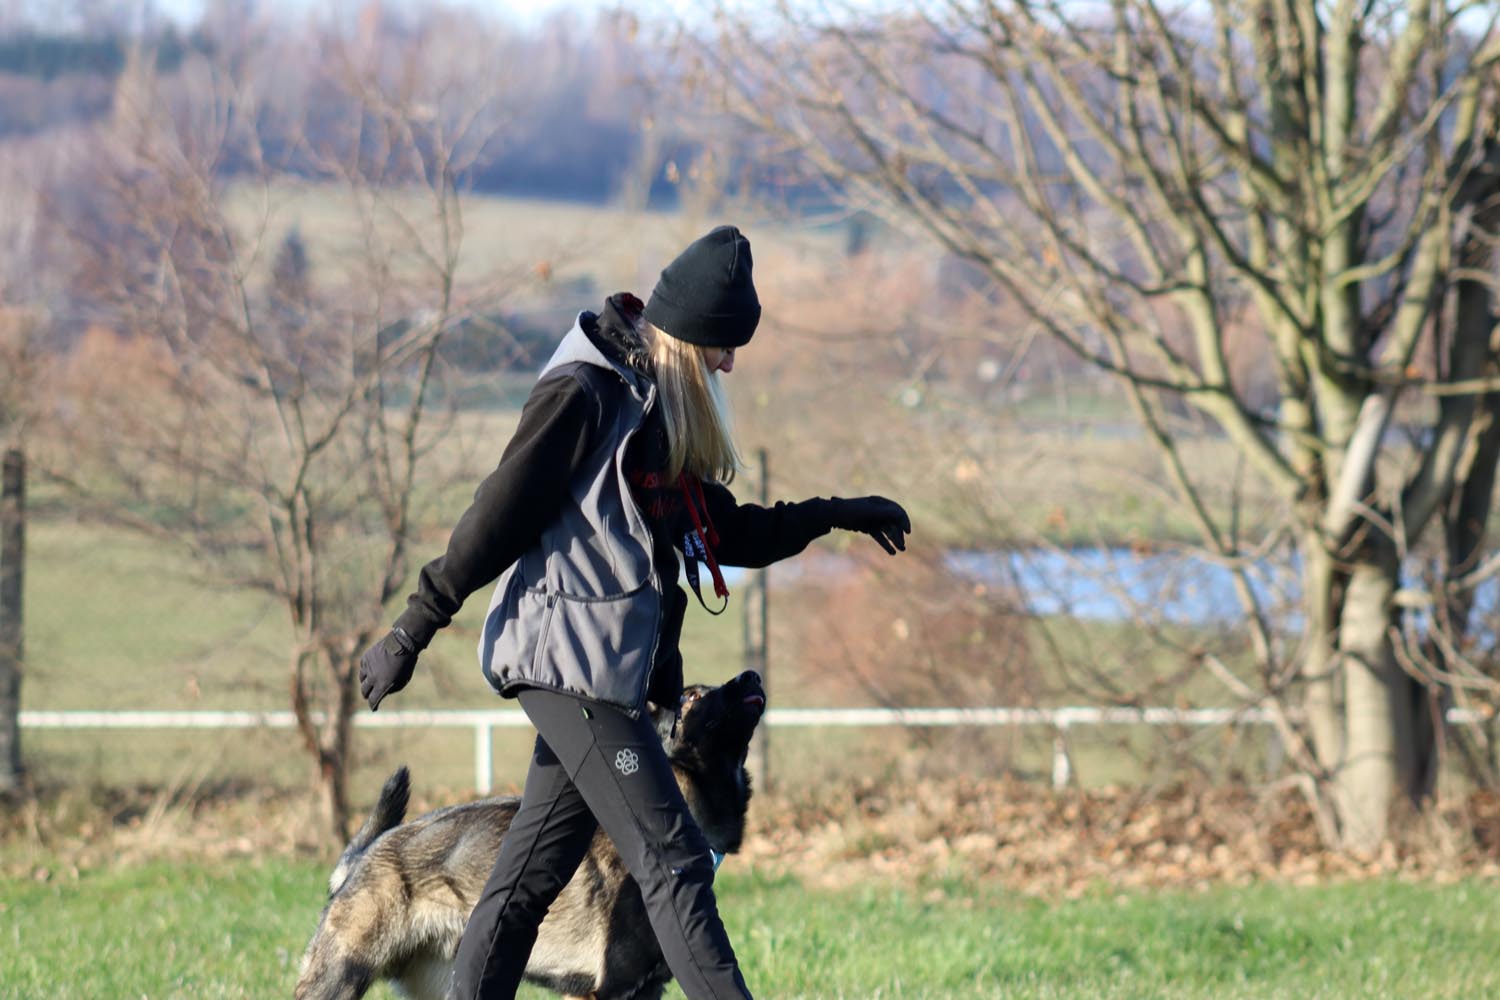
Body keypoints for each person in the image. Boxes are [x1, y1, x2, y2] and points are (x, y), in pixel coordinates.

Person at [358, 225, 911, 1000]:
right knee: (676, 861)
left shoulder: (655, 409)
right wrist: (412, 629)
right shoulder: (584, 394)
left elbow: (725, 531)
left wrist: (834, 514)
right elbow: (494, 519)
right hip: (569, 671)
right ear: (688, 333)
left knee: (524, 884)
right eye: (723, 346)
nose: (729, 363)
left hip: (606, 678)